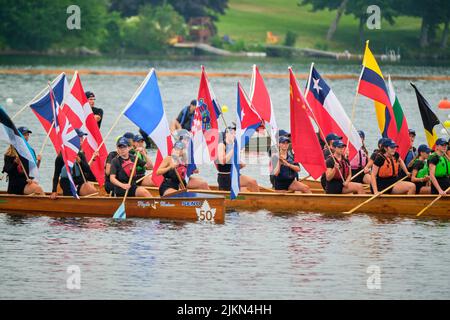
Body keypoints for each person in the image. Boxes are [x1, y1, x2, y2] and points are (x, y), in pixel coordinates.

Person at [50, 129, 97, 199]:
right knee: (86, 190)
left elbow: (87, 170)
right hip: (67, 182)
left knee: (91, 190)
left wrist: (80, 161)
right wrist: (54, 191)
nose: (82, 142)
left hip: (80, 181)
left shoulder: (80, 155)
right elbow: (56, 175)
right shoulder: (61, 157)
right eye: (80, 139)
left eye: (82, 139)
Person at [216, 127, 259, 192]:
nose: (234, 135)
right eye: (232, 133)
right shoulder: (222, 145)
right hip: (225, 177)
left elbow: (236, 165)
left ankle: (256, 201)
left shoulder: (231, 146)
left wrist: (241, 164)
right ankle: (258, 201)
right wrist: (233, 150)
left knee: (251, 184)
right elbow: (222, 162)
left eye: (235, 133)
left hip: (233, 174)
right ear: (226, 134)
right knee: (252, 182)